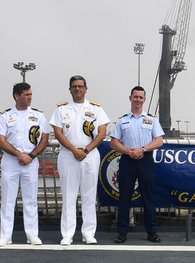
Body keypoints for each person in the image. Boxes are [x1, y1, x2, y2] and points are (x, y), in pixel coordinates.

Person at [50, 76, 110, 245]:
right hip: (68, 155)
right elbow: (58, 133)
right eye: (74, 87)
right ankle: (67, 234)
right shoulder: (62, 110)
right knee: (68, 196)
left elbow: (102, 132)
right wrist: (74, 150)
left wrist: (85, 150)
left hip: (89, 154)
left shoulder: (96, 109)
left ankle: (88, 233)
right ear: (69, 90)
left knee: (89, 196)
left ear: (86, 89)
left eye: (80, 86)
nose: (77, 89)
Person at [0, 82, 50, 246]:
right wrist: (19, 154)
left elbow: (44, 139)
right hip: (11, 161)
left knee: (31, 199)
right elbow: (1, 141)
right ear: (16, 96)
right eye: (26, 94)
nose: (30, 97)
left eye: (31, 94)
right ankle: (5, 236)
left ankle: (32, 235)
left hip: (31, 162)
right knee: (8, 200)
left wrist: (30, 155)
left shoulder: (39, 116)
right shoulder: (5, 116)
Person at [109, 86, 165, 243]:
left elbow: (159, 140)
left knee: (149, 197)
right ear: (130, 98)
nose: (138, 100)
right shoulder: (122, 121)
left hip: (145, 160)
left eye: (141, 97)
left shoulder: (152, 120)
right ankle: (122, 232)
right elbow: (113, 143)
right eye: (135, 97)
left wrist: (143, 149)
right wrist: (128, 151)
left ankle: (152, 232)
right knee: (124, 198)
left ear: (144, 100)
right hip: (127, 160)